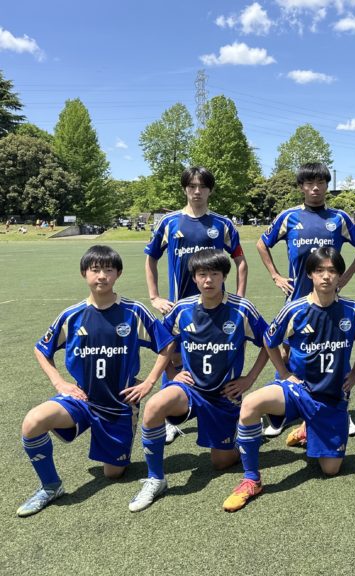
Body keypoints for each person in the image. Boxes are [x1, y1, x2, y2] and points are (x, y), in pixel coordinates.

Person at [17, 246, 173, 517]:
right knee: (32, 422)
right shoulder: (72, 315)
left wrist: (149, 382)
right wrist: (60, 383)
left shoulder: (133, 311)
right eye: (95, 270)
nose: (102, 276)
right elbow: (41, 350)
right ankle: (51, 486)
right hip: (82, 399)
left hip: (118, 406)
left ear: (118, 274)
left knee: (113, 473)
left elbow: (166, 344)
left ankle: (109, 444)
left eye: (108, 270)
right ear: (84, 273)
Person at [222, 247, 355, 512]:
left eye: (332, 271)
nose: (326, 276)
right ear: (310, 274)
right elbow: (269, 339)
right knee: (251, 404)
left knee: (331, 470)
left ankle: (306, 429)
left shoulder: (352, 310)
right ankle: (251, 479)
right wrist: (285, 374)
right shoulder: (295, 309)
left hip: (332, 398)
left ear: (340, 275)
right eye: (319, 270)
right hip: (299, 390)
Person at [128, 250, 269, 512]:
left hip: (224, 395)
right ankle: (156, 478)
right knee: (154, 406)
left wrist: (249, 379)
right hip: (190, 390)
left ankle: (243, 431)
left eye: (214, 274)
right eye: (202, 274)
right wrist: (172, 374)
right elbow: (163, 342)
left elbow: (270, 342)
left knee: (221, 462)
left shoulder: (241, 309)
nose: (208, 280)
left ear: (224, 276)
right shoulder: (182, 309)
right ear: (194, 278)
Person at [257, 162, 355, 439]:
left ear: (327, 186)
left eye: (321, 182)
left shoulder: (339, 218)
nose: (315, 188)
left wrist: (346, 277)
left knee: (335, 353)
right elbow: (262, 243)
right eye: (309, 183)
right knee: (286, 355)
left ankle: (341, 409)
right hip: (296, 301)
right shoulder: (289, 217)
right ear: (301, 187)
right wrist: (275, 276)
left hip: (331, 302)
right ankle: (280, 413)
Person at [144, 166, 248, 444]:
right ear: (185, 189)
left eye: (202, 186)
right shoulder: (169, 223)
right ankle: (170, 419)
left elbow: (240, 261)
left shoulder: (223, 224)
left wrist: (239, 298)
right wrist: (154, 296)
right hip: (180, 309)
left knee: (221, 356)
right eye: (192, 186)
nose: (197, 191)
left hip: (217, 309)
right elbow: (151, 258)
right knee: (171, 357)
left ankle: (229, 408)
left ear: (210, 190)